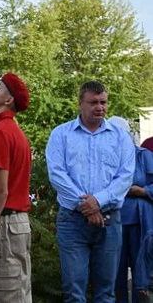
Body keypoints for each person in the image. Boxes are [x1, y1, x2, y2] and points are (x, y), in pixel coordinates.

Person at [45, 80, 135, 303]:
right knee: (74, 292)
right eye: (93, 102)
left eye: (103, 102)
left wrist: (98, 201)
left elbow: (125, 176)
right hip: (72, 221)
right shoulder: (61, 135)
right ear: (80, 103)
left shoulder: (120, 136)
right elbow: (57, 174)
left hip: (110, 221)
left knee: (106, 292)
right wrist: (87, 207)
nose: (100, 107)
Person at [0, 72, 32, 302]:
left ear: (8, 99)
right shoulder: (13, 131)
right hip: (16, 223)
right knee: (18, 291)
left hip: (4, 223)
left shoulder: (1, 133)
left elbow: (0, 190)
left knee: (5, 293)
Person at [110, 117, 153, 302]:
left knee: (141, 270)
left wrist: (143, 191)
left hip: (141, 221)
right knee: (114, 271)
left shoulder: (144, 155)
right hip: (114, 220)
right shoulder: (106, 158)